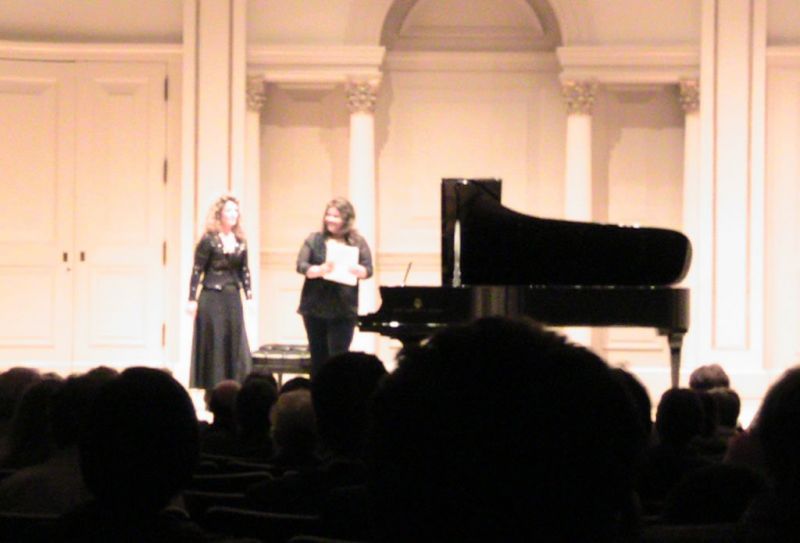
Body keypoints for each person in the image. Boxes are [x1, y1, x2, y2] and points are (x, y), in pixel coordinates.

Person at [296, 197, 373, 376]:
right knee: (318, 356)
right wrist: (319, 270)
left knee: (339, 357)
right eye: (328, 215)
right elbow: (301, 265)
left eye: (335, 216)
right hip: (315, 306)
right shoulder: (314, 239)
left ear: (346, 219)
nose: (329, 219)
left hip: (343, 309)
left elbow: (368, 269)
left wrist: (360, 271)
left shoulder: (357, 241)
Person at [188, 194, 253, 390]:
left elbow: (244, 270)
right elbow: (197, 269)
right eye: (229, 210)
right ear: (219, 214)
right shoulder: (209, 240)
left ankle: (233, 386)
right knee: (214, 339)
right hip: (212, 296)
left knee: (233, 338)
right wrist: (192, 299)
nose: (233, 214)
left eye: (236, 211)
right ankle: (213, 386)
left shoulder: (240, 241)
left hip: (232, 296)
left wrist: (249, 296)